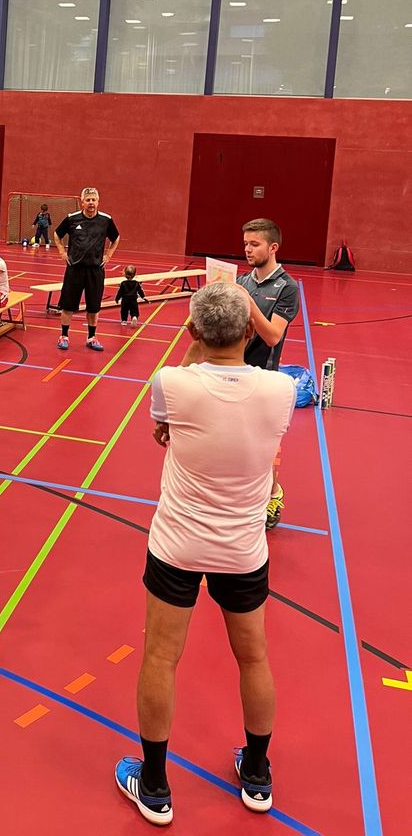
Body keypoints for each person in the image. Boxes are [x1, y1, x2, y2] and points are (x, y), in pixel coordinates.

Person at [115, 283, 296, 827]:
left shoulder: (173, 382)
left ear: (194, 331)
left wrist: (195, 343)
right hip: (243, 550)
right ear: (248, 331)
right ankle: (257, 774)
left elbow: (166, 419)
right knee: (254, 658)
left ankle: (155, 785)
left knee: (160, 658)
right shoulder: (281, 389)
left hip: (178, 544)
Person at [183, 218, 299, 530]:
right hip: (228, 371)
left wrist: (245, 300)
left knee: (260, 448)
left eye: (254, 244)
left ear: (272, 247)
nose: (247, 249)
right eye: (245, 243)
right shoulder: (244, 281)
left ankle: (273, 493)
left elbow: (273, 335)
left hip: (262, 377)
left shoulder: (287, 288)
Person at [53, 187, 120, 352]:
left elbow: (116, 238)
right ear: (82, 202)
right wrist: (62, 252)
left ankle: (91, 338)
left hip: (95, 270)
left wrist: (108, 255)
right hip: (74, 269)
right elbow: (57, 234)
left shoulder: (106, 220)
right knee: (68, 306)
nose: (91, 203)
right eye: (88, 200)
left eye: (93, 200)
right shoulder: (72, 219)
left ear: (98, 202)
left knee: (93, 307)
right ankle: (64, 336)